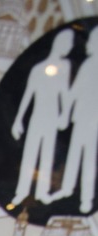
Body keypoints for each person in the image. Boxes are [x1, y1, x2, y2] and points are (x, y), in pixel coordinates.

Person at [11, 29, 76, 210]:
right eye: (67, 44)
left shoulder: (64, 68)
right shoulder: (39, 69)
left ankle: (41, 193)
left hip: (52, 117)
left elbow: (65, 94)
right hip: (38, 116)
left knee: (47, 156)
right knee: (30, 155)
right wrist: (18, 119)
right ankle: (22, 191)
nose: (69, 48)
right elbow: (28, 95)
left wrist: (65, 114)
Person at [59, 30, 98, 211]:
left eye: (91, 41)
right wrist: (66, 113)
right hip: (81, 118)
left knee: (89, 159)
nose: (88, 44)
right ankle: (67, 189)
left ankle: (86, 199)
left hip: (93, 121)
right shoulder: (88, 65)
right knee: (74, 154)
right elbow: (74, 91)